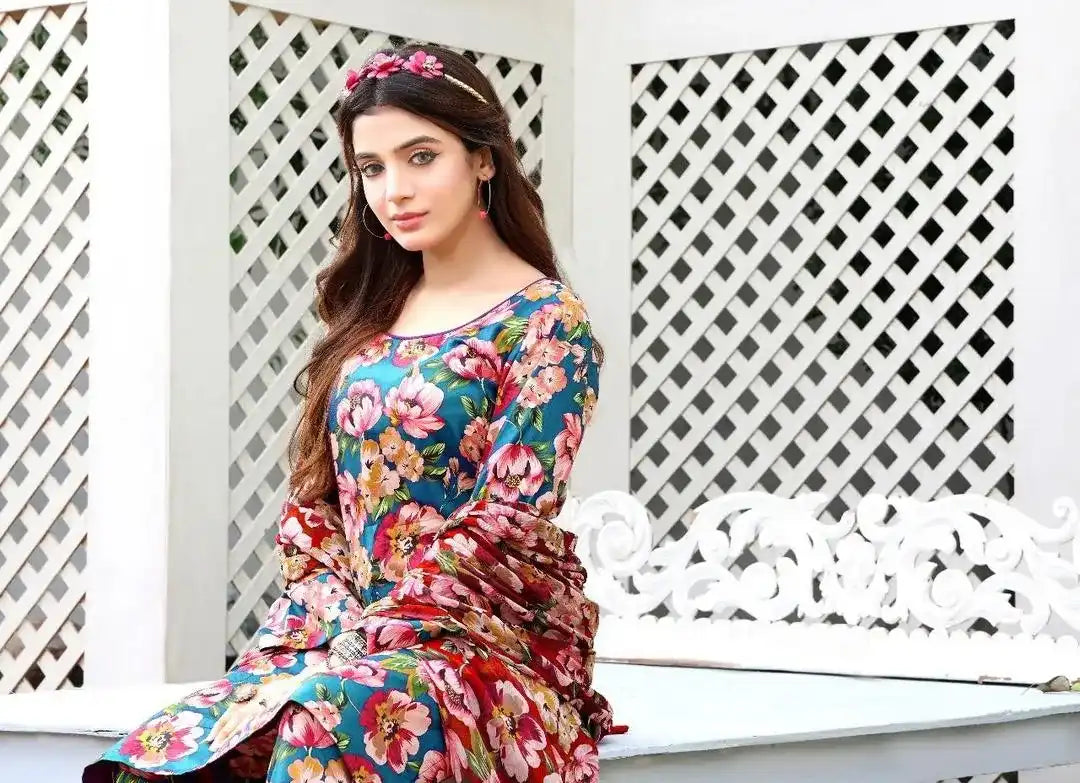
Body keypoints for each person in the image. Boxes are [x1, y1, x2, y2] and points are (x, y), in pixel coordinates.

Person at [83, 43, 623, 783]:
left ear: (484, 159)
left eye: (421, 156)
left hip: (477, 646)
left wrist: (373, 635)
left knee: (327, 717)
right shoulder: (372, 317)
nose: (394, 189)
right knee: (173, 750)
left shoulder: (543, 322)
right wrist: (336, 625)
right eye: (371, 168)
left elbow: (508, 527)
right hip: (338, 637)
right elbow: (319, 504)